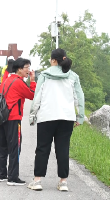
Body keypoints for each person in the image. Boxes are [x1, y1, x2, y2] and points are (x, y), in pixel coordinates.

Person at [28, 49, 84, 192]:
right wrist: (80, 116)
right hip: (66, 117)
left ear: (53, 60)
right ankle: (63, 182)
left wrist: (32, 115)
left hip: (47, 116)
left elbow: (37, 97)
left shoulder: (45, 75)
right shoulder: (73, 76)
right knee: (63, 149)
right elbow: (79, 97)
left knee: (42, 148)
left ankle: (37, 180)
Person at [0, 58, 36, 186]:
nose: (28, 70)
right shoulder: (19, 82)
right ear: (19, 69)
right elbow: (32, 95)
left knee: (3, 146)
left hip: (2, 117)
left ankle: (1, 174)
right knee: (15, 147)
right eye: (26, 68)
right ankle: (13, 177)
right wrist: (33, 81)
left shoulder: (6, 79)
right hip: (13, 118)